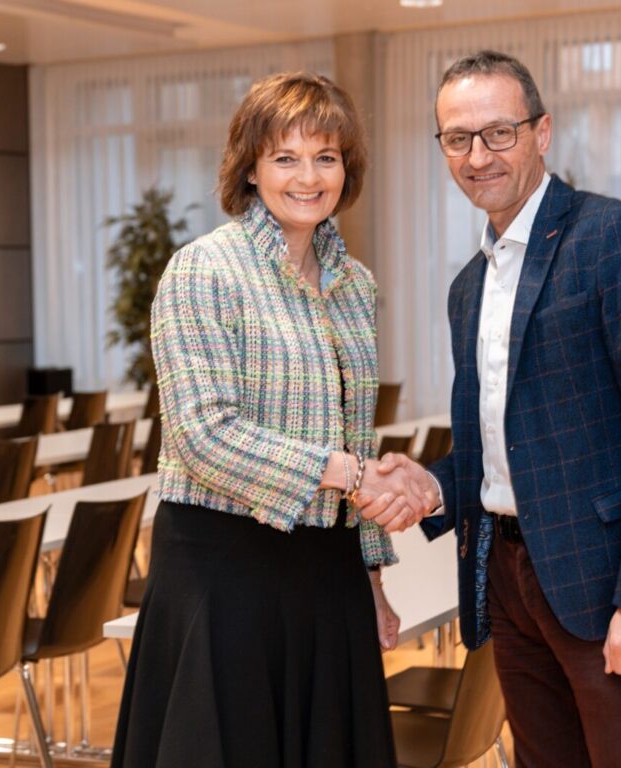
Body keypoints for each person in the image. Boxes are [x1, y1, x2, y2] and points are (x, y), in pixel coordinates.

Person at [383, 50, 621, 767]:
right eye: (457, 138)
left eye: (499, 132)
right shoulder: (469, 285)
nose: (478, 156)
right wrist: (433, 484)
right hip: (506, 577)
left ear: (542, 132)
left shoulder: (615, 237)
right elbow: (500, 440)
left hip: (604, 580)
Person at [111, 72, 434, 768]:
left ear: (347, 168)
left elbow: (359, 438)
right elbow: (202, 436)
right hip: (224, 569)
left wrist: (373, 581)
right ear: (250, 168)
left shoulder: (356, 284)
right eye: (286, 157)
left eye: (327, 156)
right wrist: (339, 471)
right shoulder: (202, 271)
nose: (308, 176)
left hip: (328, 572)